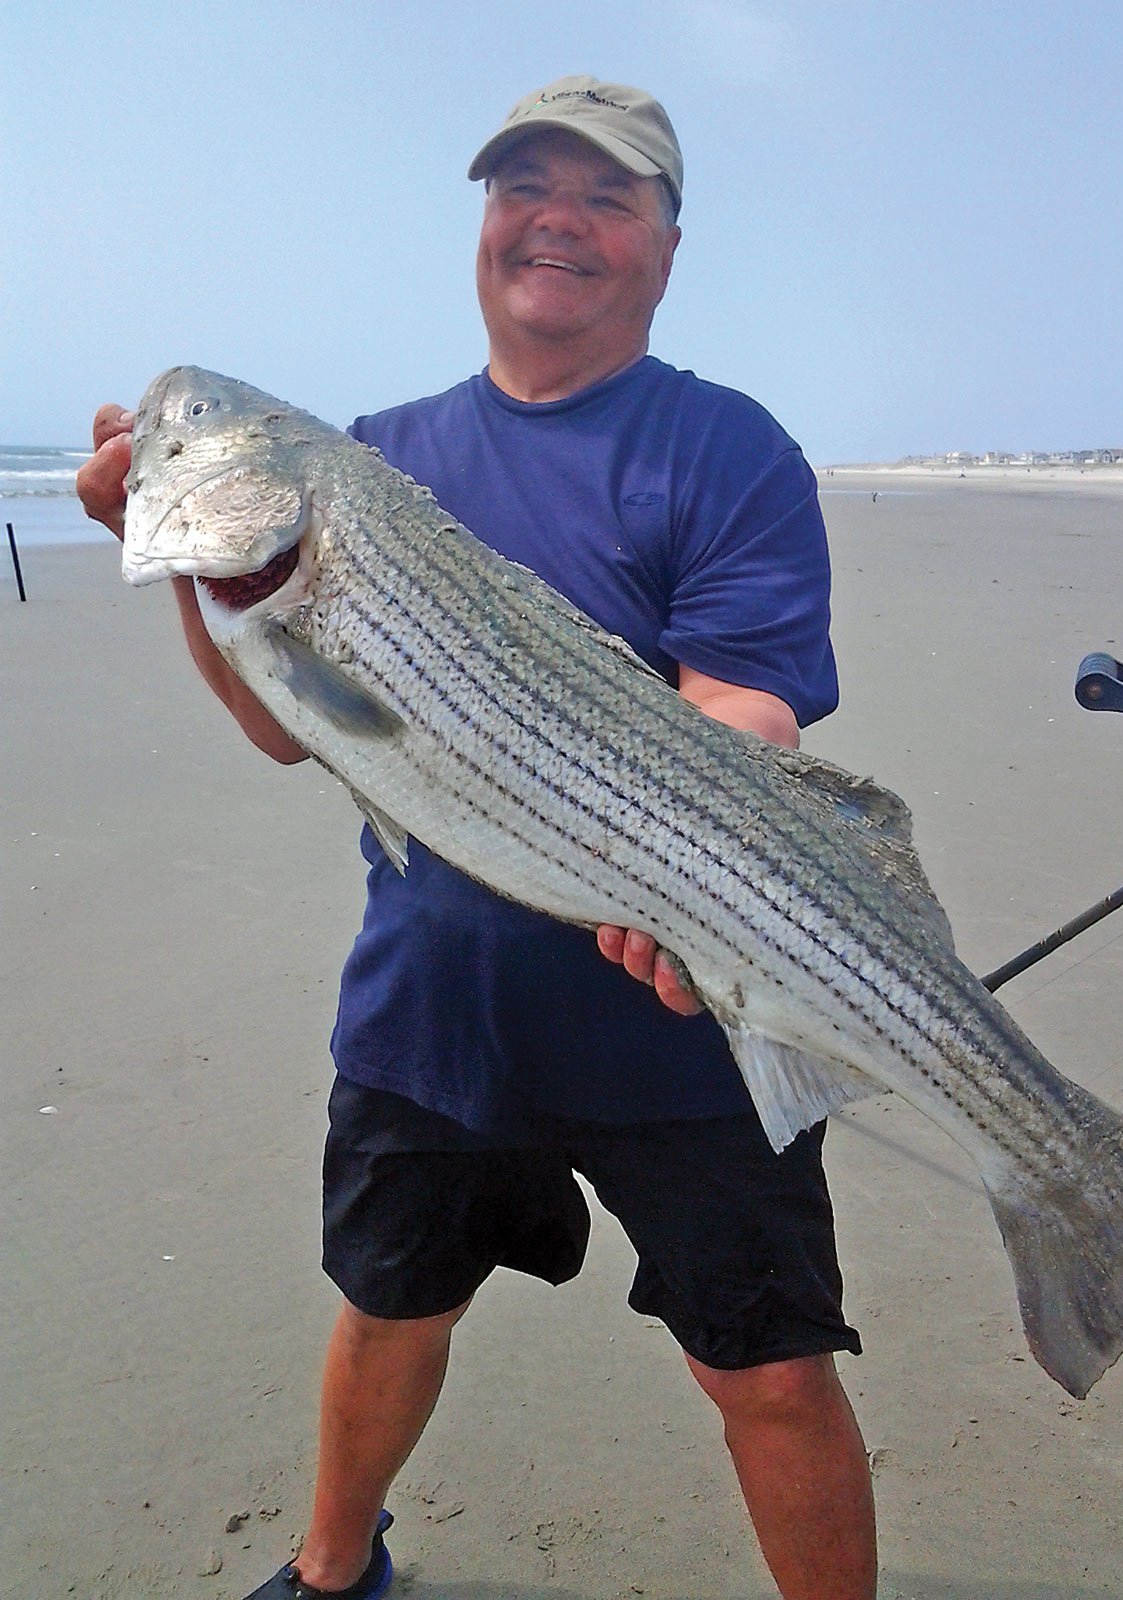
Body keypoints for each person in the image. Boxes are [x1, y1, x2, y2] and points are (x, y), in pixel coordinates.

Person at [79, 75, 877, 1600]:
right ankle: (332, 1572)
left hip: (679, 1011)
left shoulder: (726, 448)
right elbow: (281, 722)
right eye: (525, 186)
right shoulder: (367, 460)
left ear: (666, 240)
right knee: (388, 1308)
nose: (557, 220)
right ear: (485, 222)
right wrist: (174, 555)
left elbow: (746, 698)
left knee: (768, 1373)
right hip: (433, 1008)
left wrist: (669, 871)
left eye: (607, 193)